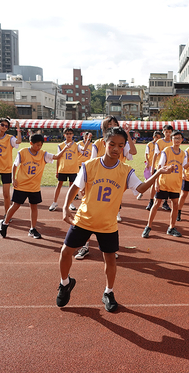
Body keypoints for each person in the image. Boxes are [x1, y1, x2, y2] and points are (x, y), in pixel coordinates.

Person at [56, 127, 173, 312]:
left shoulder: (126, 171)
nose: (116, 149)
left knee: (110, 259)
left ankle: (108, 292)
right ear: (104, 144)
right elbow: (75, 187)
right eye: (112, 144)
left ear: (124, 147)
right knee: (65, 252)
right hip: (84, 219)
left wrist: (158, 173)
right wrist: (65, 207)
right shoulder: (90, 165)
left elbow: (141, 188)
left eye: (120, 145)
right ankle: (65, 283)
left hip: (107, 224)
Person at [0, 134, 69, 239]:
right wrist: (14, 178)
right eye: (37, 145)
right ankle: (5, 223)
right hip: (21, 185)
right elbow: (15, 165)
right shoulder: (23, 152)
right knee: (16, 205)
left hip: (34, 187)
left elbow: (57, 156)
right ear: (31, 143)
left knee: (34, 207)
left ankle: (33, 228)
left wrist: (65, 148)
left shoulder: (43, 154)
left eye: (41, 145)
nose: (39, 147)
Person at [142, 131, 189, 238]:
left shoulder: (183, 153)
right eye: (175, 138)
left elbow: (184, 166)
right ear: (171, 139)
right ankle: (148, 226)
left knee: (175, 205)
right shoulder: (166, 151)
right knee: (157, 204)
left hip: (176, 184)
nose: (177, 140)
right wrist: (157, 183)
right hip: (164, 183)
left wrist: (185, 173)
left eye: (179, 138)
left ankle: (171, 228)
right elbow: (159, 167)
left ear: (182, 140)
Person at [90, 116, 137, 222]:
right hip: (100, 174)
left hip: (117, 173)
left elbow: (133, 152)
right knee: (98, 195)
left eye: (115, 124)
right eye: (110, 124)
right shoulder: (98, 143)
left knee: (116, 195)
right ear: (104, 127)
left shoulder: (122, 143)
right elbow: (92, 162)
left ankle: (117, 212)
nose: (113, 126)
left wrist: (127, 134)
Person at [49, 128, 90, 212]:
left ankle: (70, 202)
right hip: (63, 169)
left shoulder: (76, 145)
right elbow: (58, 158)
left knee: (71, 186)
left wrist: (88, 140)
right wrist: (57, 171)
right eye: (67, 133)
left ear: (73, 135)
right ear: (64, 135)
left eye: (70, 133)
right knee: (59, 185)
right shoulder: (60, 145)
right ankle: (54, 202)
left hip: (73, 169)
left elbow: (84, 149)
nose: (68, 135)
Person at [148, 125, 174, 212]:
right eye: (166, 132)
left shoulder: (172, 142)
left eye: (170, 132)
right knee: (154, 184)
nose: (168, 134)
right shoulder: (159, 142)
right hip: (158, 166)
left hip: (167, 168)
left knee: (166, 184)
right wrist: (152, 167)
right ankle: (151, 201)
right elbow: (155, 154)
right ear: (163, 132)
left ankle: (165, 202)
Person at [140, 131, 162, 202]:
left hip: (157, 165)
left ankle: (156, 196)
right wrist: (148, 162)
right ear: (153, 137)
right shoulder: (149, 144)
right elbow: (146, 154)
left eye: (159, 137)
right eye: (157, 137)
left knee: (157, 181)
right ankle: (141, 192)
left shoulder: (160, 144)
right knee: (148, 180)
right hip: (150, 165)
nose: (158, 139)